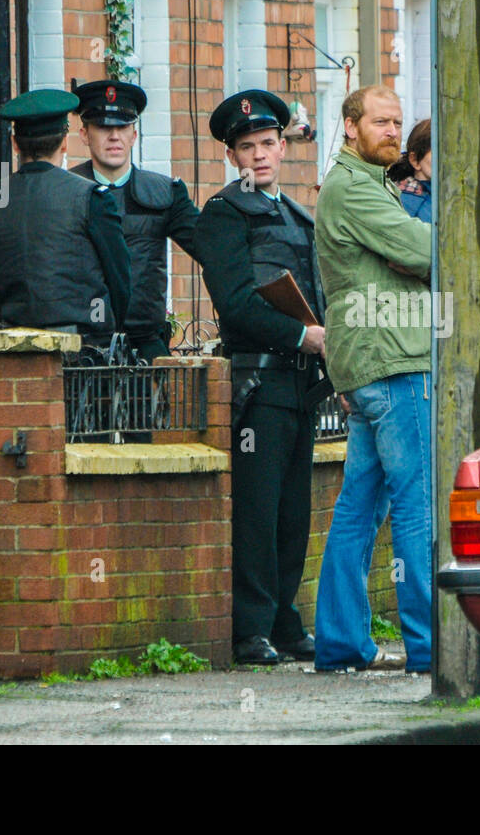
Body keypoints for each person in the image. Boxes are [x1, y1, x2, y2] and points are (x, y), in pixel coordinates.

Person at [195, 89, 327, 666]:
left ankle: (283, 618)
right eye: (246, 147)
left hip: (303, 382)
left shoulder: (298, 216)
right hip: (258, 382)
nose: (259, 156)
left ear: (283, 146)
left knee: (295, 511)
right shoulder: (224, 214)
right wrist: (303, 336)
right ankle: (250, 629)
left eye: (268, 143)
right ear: (231, 156)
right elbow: (236, 303)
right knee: (258, 509)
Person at [315, 85, 433, 674]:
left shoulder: (367, 184)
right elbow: (429, 251)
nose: (392, 131)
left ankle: (339, 644)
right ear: (350, 125)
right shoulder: (356, 189)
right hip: (396, 362)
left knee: (358, 505)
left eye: (397, 122)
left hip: (371, 366)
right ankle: (430, 647)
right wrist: (423, 245)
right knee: (417, 505)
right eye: (380, 122)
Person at [386, 118, 480, 441]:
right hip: (439, 339)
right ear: (415, 160)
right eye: (438, 155)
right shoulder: (409, 205)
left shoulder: (459, 199)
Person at [0, 89, 130, 346]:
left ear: (15, 143)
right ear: (64, 143)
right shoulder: (92, 198)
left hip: (7, 351)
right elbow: (119, 280)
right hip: (81, 353)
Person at [69, 79, 202, 360]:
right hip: (82, 348)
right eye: (104, 128)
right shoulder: (65, 191)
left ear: (134, 135)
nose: (114, 136)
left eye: (122, 127)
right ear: (84, 134)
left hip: (146, 345)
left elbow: (212, 247)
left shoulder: (165, 193)